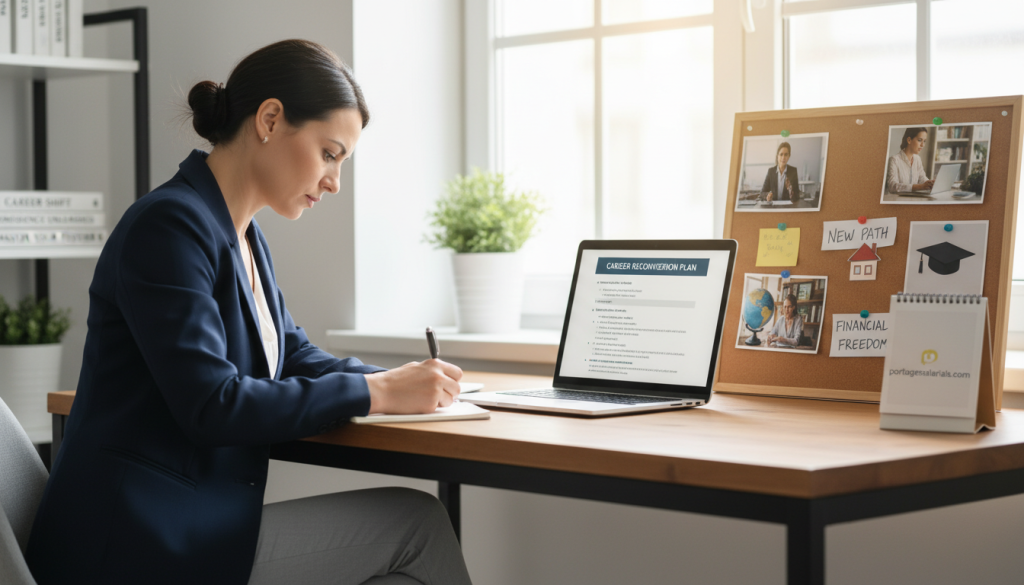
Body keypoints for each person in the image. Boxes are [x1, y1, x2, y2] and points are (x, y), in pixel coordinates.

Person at [25, 40, 472, 585]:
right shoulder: (168, 226)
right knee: (417, 525)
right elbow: (214, 404)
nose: (334, 181)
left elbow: (290, 353)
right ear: (270, 119)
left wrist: (393, 380)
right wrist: (378, 394)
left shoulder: (241, 234)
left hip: (185, 526)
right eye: (330, 154)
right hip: (135, 545)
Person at [886, 127, 934, 194]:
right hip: (897, 201)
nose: (922, 145)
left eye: (924, 141)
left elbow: (922, 179)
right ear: (909, 140)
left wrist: (930, 183)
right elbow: (892, 186)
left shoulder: (917, 159)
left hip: (913, 199)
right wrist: (920, 187)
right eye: (919, 140)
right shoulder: (894, 160)